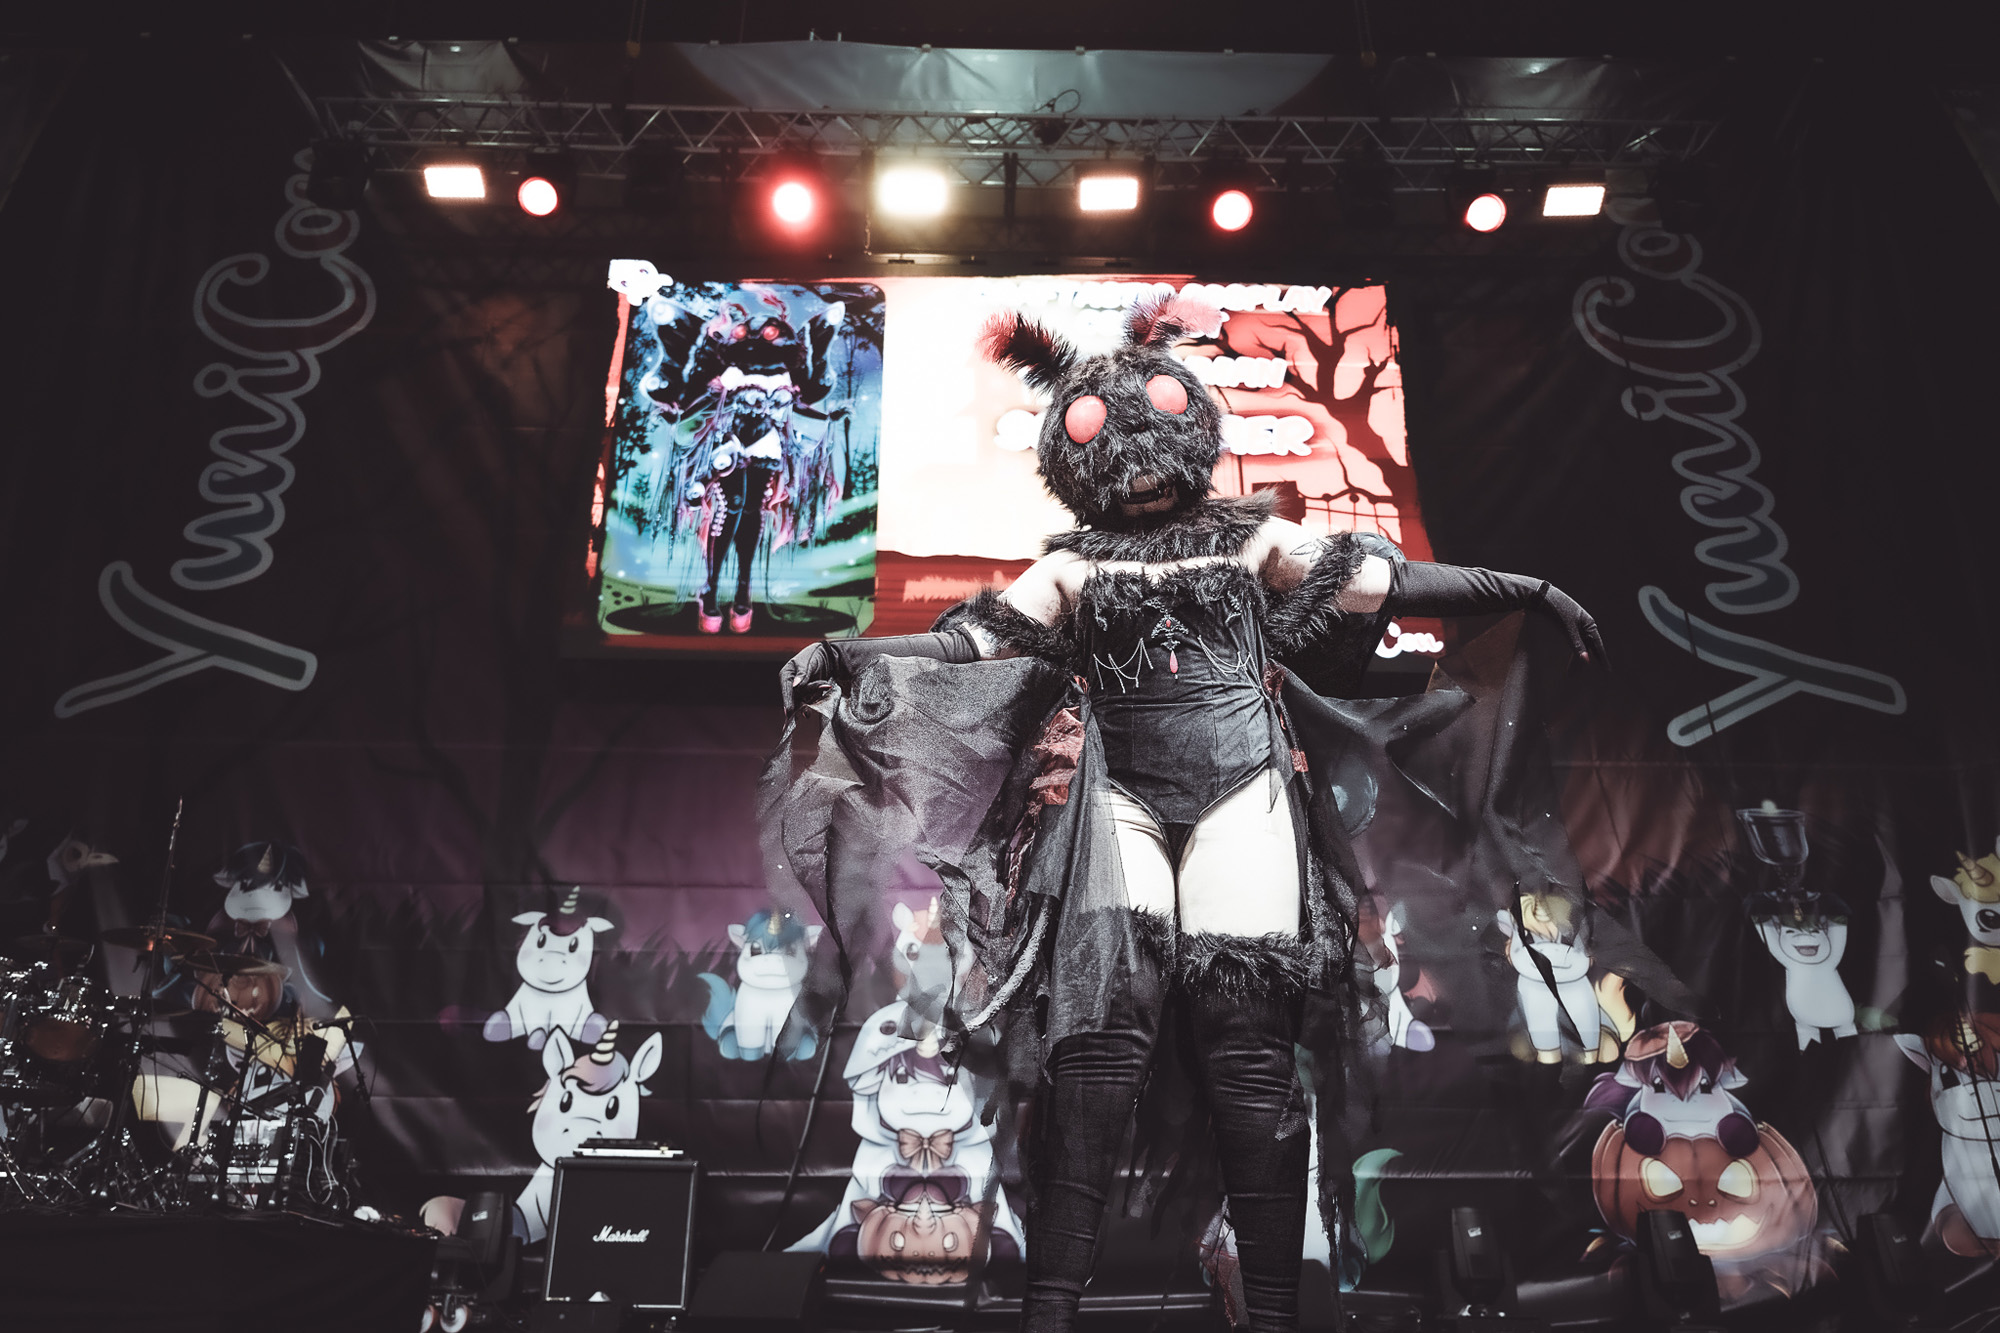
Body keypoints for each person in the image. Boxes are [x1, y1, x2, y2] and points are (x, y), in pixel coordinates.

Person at [769, 294, 1603, 1332]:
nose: (1132, 456)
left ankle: (1268, 1313)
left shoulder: (1252, 543)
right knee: (1094, 1055)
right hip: (1118, 798)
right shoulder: (1070, 567)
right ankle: (1051, 1314)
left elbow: (1385, 580)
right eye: (1096, 431)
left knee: (1248, 1049)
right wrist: (851, 653)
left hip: (1241, 787)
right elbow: (970, 644)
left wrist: (1521, 587)